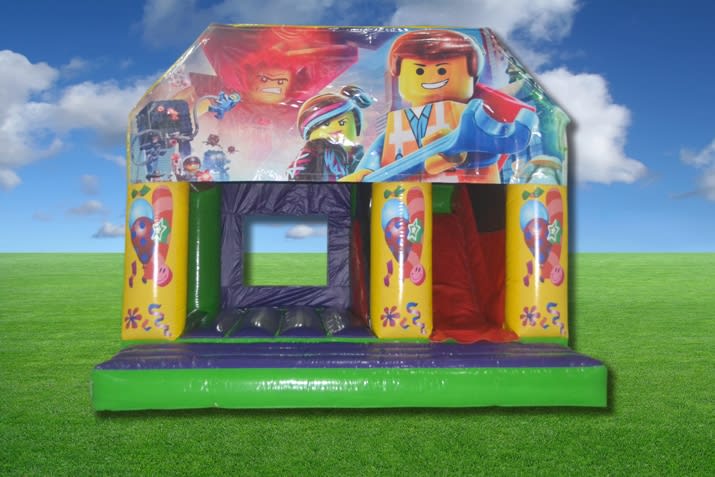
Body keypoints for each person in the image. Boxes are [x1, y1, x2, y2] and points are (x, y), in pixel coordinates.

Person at [343, 29, 537, 183]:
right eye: (419, 71)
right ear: (398, 76)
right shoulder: (398, 124)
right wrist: (365, 170)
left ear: (472, 76)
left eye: (442, 70)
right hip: (402, 193)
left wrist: (461, 159)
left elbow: (488, 155)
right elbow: (378, 150)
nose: (431, 77)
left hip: (463, 192)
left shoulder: (470, 117)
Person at [287, 85, 373, 181]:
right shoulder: (314, 150)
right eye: (326, 124)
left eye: (342, 123)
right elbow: (295, 178)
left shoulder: (359, 156)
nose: (335, 129)